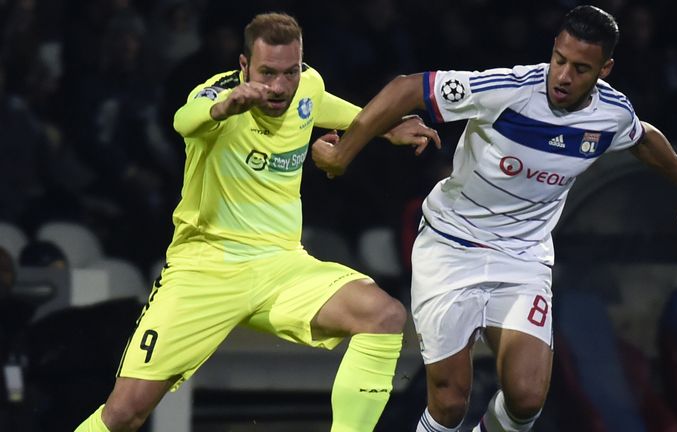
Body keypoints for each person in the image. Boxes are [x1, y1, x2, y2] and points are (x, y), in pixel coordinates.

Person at [311, 5, 677, 432]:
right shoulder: (507, 89)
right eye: (559, 60)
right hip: (453, 245)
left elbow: (645, 139)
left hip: (523, 257)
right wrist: (344, 154)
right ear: (553, 50)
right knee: (451, 400)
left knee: (527, 398)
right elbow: (405, 89)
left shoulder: (611, 114)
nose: (564, 76)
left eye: (580, 68)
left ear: (605, 69)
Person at [76, 12, 438, 432]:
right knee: (125, 413)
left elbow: (322, 105)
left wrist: (385, 127)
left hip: (281, 267)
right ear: (244, 66)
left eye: (290, 72)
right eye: (267, 73)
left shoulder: (307, 86)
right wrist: (223, 107)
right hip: (205, 269)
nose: (280, 86)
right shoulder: (218, 100)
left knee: (384, 315)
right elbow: (183, 120)